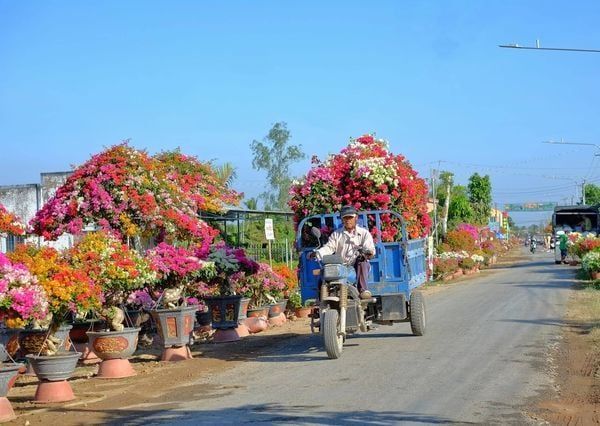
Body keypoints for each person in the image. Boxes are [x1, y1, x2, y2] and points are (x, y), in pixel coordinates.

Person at [314, 205, 376, 299]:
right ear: (342, 219)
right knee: (323, 276)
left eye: (350, 217)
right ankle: (321, 300)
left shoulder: (364, 233)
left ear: (356, 218)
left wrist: (367, 252)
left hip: (355, 265)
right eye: (345, 218)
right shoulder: (337, 234)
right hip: (340, 266)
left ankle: (363, 290)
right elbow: (329, 247)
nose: (348, 220)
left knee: (362, 262)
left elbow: (369, 247)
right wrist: (317, 253)